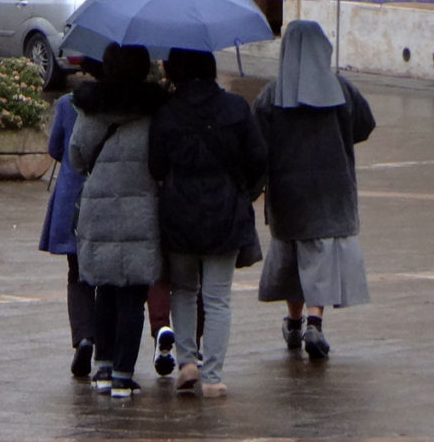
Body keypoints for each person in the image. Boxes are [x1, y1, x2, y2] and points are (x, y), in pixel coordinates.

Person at [252, 20, 375, 360]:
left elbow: (257, 142)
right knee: (320, 257)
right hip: (332, 190)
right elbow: (365, 125)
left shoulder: (272, 94)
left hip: (289, 191)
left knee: (293, 257)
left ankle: (293, 321)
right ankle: (315, 323)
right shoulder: (342, 90)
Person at [149, 48, 267, 398]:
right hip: (224, 212)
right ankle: (213, 376)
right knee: (217, 297)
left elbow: (155, 166)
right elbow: (259, 157)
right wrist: (243, 191)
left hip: (178, 213)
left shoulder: (166, 112)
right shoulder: (235, 108)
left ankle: (187, 363)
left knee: (183, 290)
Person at [71, 44, 167, 398]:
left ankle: (103, 367)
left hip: (99, 209)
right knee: (132, 294)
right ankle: (124, 375)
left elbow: (78, 155)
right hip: (141, 210)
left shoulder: (91, 108)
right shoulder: (154, 109)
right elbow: (161, 159)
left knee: (104, 289)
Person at [39, 58, 102, 378]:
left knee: (77, 274)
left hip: (71, 198)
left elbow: (55, 149)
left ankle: (83, 338)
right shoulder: (121, 106)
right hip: (105, 198)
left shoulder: (66, 105)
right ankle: (104, 345)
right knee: (105, 278)